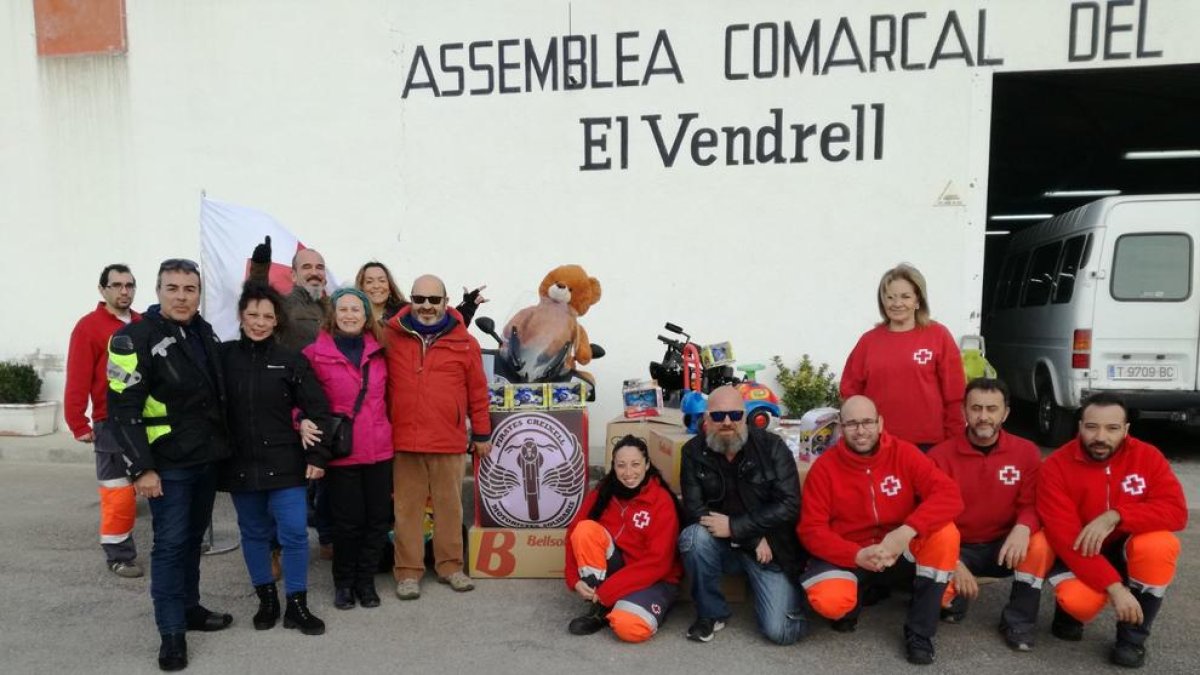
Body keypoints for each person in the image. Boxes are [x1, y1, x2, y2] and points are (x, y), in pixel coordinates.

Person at [106, 258, 233, 671]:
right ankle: (171, 633)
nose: (182, 296)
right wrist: (141, 469)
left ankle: (191, 609)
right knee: (170, 545)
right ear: (158, 292)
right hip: (167, 463)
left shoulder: (203, 331)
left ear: (199, 294)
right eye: (173, 288)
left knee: (192, 540)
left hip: (204, 458)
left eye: (189, 289)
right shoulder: (131, 338)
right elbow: (121, 408)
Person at [798, 395, 963, 665]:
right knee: (831, 602)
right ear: (840, 426)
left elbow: (949, 495)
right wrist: (855, 554)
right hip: (852, 555)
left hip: (898, 551)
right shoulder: (824, 468)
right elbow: (811, 530)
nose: (861, 431)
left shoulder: (905, 453)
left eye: (867, 422)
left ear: (881, 423)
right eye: (852, 424)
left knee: (946, 534)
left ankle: (919, 633)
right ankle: (861, 594)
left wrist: (907, 530)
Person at [1038, 393, 1187, 668]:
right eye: (1092, 427)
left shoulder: (1148, 457)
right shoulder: (1056, 467)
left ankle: (1132, 639)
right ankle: (1069, 614)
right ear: (1080, 425)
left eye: (1112, 428)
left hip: (1126, 549)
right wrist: (1117, 590)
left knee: (1159, 545)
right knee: (1078, 601)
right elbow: (1066, 537)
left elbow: (1177, 512)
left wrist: (1117, 516)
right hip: (1080, 550)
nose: (1101, 437)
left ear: (1126, 430)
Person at [219, 282, 332, 636]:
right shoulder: (223, 357)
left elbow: (318, 408)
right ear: (241, 316)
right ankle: (267, 600)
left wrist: (317, 453)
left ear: (277, 321)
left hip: (285, 462)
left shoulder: (290, 359)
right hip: (241, 462)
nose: (259, 322)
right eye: (253, 314)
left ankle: (297, 605)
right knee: (253, 533)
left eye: (267, 316)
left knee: (295, 534)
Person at [385, 274, 491, 599]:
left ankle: (451, 567)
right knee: (407, 509)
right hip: (404, 440)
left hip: (448, 439)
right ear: (410, 301)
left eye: (434, 300)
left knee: (449, 507)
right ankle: (408, 572)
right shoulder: (390, 337)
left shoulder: (465, 342)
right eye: (420, 299)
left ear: (445, 302)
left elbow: (478, 391)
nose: (427, 306)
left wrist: (483, 433)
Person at [928, 378, 1053, 651]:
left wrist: (1023, 528)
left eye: (992, 409)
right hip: (959, 548)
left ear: (1005, 413)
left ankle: (1019, 621)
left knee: (1040, 544)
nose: (983, 417)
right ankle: (954, 599)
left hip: (1005, 545)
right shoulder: (940, 456)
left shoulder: (1027, 452)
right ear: (964, 411)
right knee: (938, 600)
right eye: (976, 408)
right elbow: (931, 514)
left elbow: (1032, 503)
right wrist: (953, 562)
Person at [677, 385, 806, 645]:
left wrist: (737, 527)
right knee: (693, 537)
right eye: (718, 415)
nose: (727, 422)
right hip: (729, 544)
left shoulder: (772, 447)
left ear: (745, 417)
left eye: (735, 415)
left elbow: (790, 504)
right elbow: (694, 509)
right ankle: (711, 614)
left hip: (771, 547)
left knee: (781, 632)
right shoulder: (692, 452)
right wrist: (746, 536)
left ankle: (793, 598)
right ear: (706, 418)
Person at [303, 288, 394, 610]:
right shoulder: (314, 354)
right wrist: (300, 422)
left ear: (366, 315)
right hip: (342, 452)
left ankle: (365, 582)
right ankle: (343, 583)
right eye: (344, 309)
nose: (350, 315)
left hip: (380, 449)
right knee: (347, 523)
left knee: (377, 521)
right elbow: (296, 398)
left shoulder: (381, 351)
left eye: (357, 309)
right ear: (333, 314)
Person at [65, 263, 144, 577]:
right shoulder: (88, 327)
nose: (123, 291)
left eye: (129, 285)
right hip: (109, 422)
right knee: (118, 493)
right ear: (103, 290)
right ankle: (119, 556)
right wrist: (78, 423)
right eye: (116, 285)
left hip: (144, 420)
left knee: (152, 486)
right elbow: (78, 377)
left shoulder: (143, 323)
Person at [563, 435, 682, 642]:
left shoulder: (661, 501)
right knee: (585, 530)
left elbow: (659, 563)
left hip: (653, 579)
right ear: (614, 467)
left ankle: (619, 603)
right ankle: (599, 606)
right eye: (621, 465)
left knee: (628, 628)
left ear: (646, 465)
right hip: (617, 570)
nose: (628, 473)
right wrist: (574, 579)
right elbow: (574, 532)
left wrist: (609, 590)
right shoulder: (604, 492)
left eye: (635, 464)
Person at [840, 263, 965, 449]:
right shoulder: (868, 341)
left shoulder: (938, 336)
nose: (897, 303)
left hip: (930, 444)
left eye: (905, 297)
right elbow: (849, 392)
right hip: (880, 443)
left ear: (918, 300)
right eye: (890, 297)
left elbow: (955, 395)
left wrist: (955, 440)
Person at [249, 236, 328, 351]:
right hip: (296, 368)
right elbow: (257, 305)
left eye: (319, 267)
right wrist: (260, 269)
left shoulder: (336, 308)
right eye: (306, 267)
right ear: (294, 276)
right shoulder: (283, 305)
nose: (314, 272)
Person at [355, 260, 488, 324]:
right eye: (369, 281)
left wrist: (467, 308)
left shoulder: (406, 312)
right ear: (361, 287)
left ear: (389, 286)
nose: (376, 286)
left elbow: (443, 325)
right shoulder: (354, 315)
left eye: (382, 280)